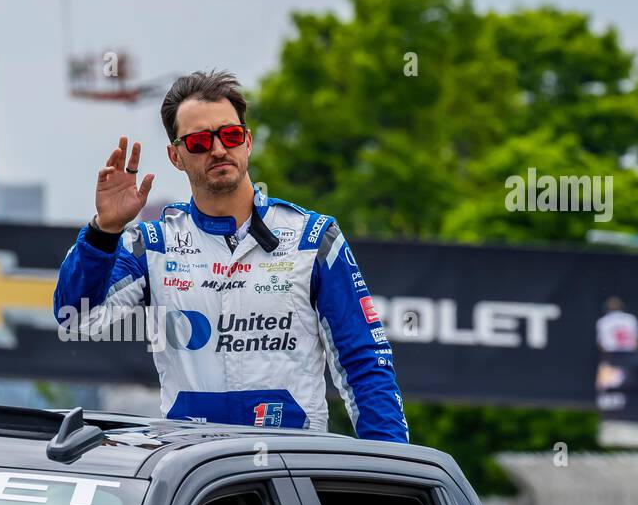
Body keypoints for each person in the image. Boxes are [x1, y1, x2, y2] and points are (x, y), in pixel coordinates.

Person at [53, 69, 407, 441]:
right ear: (176, 156)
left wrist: (393, 475)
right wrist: (103, 231)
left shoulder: (312, 238)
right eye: (200, 142)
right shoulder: (153, 243)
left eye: (230, 135)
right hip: (194, 475)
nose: (218, 149)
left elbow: (365, 365)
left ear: (248, 142)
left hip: (292, 472)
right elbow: (76, 319)